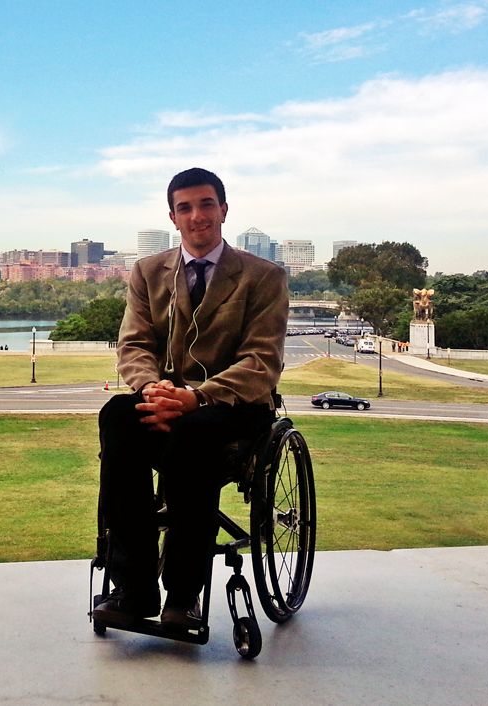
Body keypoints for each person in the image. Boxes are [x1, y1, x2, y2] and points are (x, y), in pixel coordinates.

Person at [94, 167, 288, 627]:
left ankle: (182, 595)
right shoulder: (147, 272)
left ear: (223, 210)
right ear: (173, 217)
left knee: (193, 434)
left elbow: (262, 361)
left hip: (233, 409)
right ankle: (134, 587)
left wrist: (196, 398)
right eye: (185, 208)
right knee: (118, 415)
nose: (197, 216)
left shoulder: (263, 276)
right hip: (165, 400)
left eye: (206, 205)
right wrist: (150, 387)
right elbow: (135, 344)